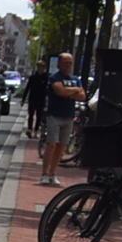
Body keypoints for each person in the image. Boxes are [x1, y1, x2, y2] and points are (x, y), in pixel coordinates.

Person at [38, 52, 83, 185]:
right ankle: (44, 174)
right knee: (51, 144)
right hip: (55, 115)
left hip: (69, 116)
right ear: (59, 64)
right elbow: (60, 91)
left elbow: (82, 96)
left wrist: (69, 91)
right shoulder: (55, 78)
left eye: (70, 62)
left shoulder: (76, 79)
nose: (68, 65)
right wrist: (74, 90)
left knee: (61, 146)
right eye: (65, 62)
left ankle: (53, 173)